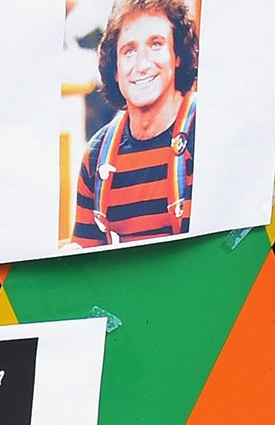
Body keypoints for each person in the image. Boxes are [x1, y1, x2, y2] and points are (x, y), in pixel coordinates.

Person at [71, 0, 197, 247]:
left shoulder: (206, 132)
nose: (142, 65)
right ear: (115, 69)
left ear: (177, 56)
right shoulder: (96, 158)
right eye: (129, 51)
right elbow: (86, 265)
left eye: (156, 45)